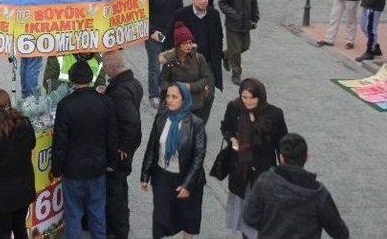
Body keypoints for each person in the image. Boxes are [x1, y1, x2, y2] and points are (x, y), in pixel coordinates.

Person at [51, 61, 118, 239]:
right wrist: (111, 162)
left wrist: (56, 169)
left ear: (72, 80)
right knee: (97, 212)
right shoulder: (105, 102)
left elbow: (60, 142)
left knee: (73, 215)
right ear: (91, 79)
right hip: (97, 168)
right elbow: (112, 136)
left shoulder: (65, 105)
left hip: (72, 170)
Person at [243, 133, 349, 239]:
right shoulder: (319, 195)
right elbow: (340, 232)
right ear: (306, 157)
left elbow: (249, 217)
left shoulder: (264, 182)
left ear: (281, 158)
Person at [221, 78, 288, 239]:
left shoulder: (274, 114)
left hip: (264, 173)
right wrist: (232, 139)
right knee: (246, 217)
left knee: (263, 217)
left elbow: (283, 142)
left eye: (252, 98)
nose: (248, 101)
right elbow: (226, 127)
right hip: (241, 172)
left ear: (261, 96)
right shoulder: (234, 108)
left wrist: (285, 167)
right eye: (244, 97)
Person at [140, 82, 206, 239]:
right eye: (168, 96)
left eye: (174, 97)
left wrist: (187, 184)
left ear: (184, 100)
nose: (169, 100)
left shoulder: (196, 124)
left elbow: (199, 156)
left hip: (187, 176)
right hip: (163, 176)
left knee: (189, 218)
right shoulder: (162, 118)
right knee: (160, 218)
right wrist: (145, 176)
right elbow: (152, 148)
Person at [0, 89, 36, 239]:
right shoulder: (24, 123)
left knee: (3, 234)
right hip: (23, 189)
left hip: (2, 195)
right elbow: (32, 144)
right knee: (20, 227)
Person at [102, 50, 143, 239]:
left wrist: (123, 148)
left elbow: (132, 122)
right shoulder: (132, 83)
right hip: (125, 148)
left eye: (105, 67)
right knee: (120, 187)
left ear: (111, 68)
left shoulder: (119, 92)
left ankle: (118, 231)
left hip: (120, 150)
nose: (104, 70)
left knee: (115, 192)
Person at [174, 0, 224, 98]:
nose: (203, 1)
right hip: (188, 63)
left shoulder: (214, 14)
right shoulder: (181, 14)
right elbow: (172, 39)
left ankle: (201, 117)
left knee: (209, 95)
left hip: (208, 63)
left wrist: (218, 55)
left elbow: (219, 36)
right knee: (188, 95)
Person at [159, 22, 215, 124]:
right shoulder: (170, 61)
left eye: (190, 42)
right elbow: (163, 80)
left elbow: (206, 79)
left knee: (193, 132)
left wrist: (190, 86)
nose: (188, 45)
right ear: (178, 45)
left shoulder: (199, 58)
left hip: (196, 103)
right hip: (177, 103)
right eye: (185, 43)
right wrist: (173, 90)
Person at [147, 0, 183, 108]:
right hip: (154, 36)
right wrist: (151, 32)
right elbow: (144, 15)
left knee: (169, 65)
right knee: (155, 66)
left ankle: (167, 91)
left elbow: (179, 13)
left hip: (170, 35)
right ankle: (154, 95)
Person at [218, 0, 259, 86]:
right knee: (235, 51)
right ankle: (236, 74)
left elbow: (254, 3)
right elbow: (222, 3)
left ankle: (225, 55)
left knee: (245, 46)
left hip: (246, 23)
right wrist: (234, 14)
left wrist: (255, 17)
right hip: (233, 24)